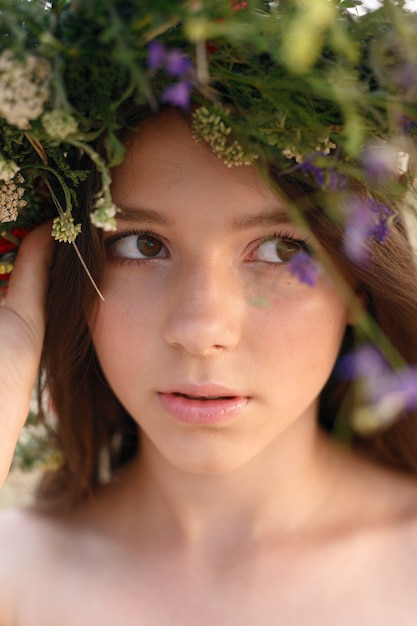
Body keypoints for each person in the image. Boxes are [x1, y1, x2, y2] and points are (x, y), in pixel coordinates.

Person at [1, 1, 417, 623]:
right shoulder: (16, 579)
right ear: (66, 269)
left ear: (355, 280)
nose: (202, 331)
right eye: (141, 245)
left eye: (278, 250)